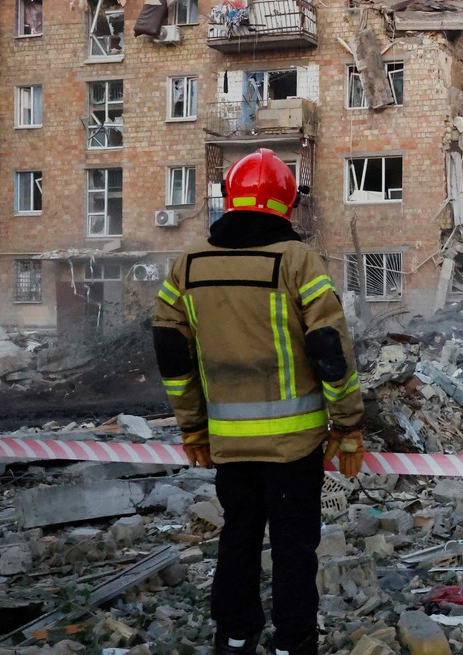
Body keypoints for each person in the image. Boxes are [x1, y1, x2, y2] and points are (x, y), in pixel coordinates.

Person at [153, 148, 364, 655]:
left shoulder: (188, 266)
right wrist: (349, 425)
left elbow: (172, 355)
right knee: (294, 550)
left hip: (227, 444)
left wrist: (192, 429)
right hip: (294, 448)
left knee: (238, 539)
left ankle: (234, 638)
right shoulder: (296, 260)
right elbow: (329, 351)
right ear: (287, 203)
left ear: (229, 199)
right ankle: (293, 644)